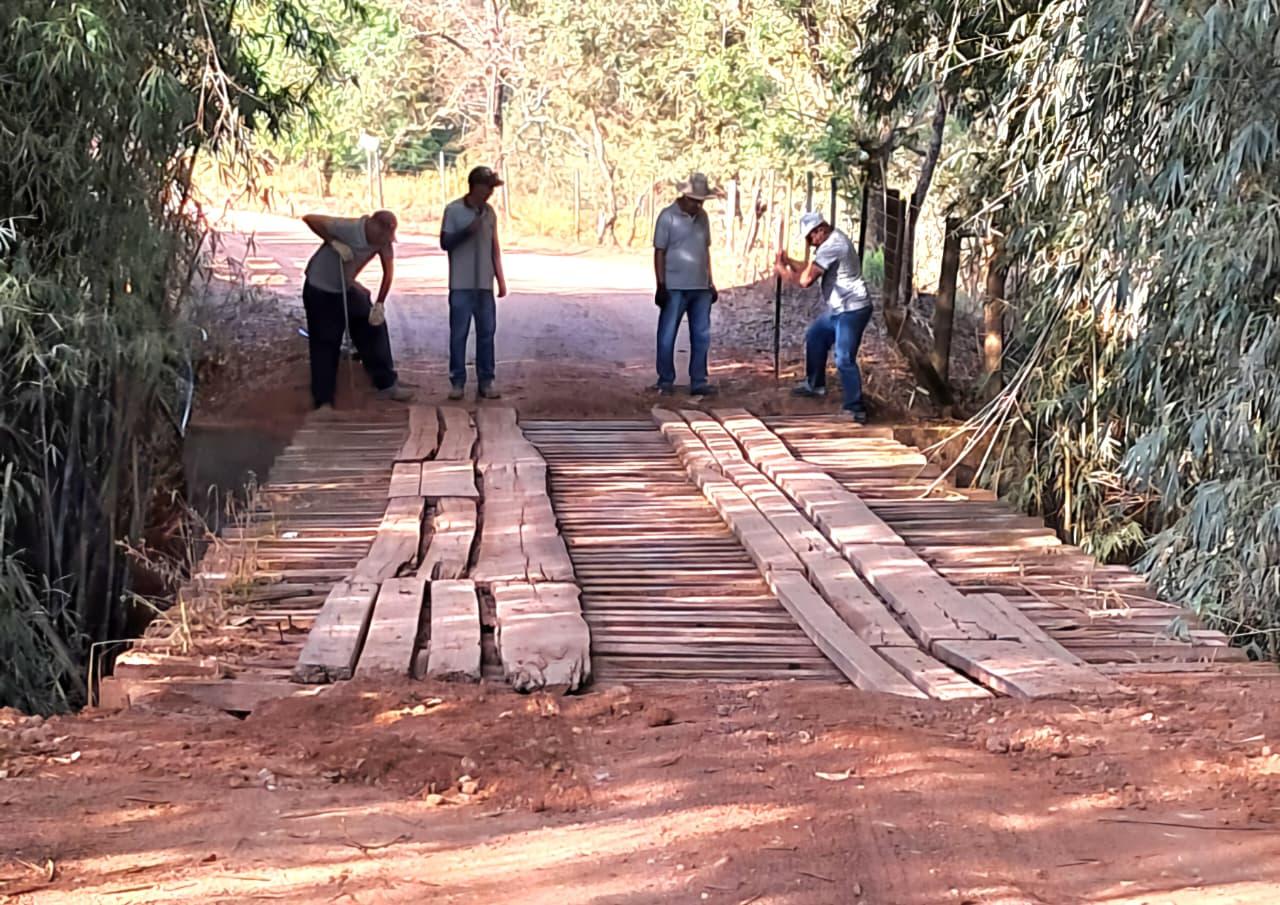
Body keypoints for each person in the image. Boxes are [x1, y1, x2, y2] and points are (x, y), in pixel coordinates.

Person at [300, 209, 412, 410]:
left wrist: (379, 303)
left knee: (372, 324)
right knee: (326, 342)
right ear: (372, 225)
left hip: (345, 285)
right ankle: (323, 401)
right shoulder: (348, 228)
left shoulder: (383, 241)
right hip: (320, 286)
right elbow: (310, 219)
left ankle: (386, 383)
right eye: (381, 235)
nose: (383, 241)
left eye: (387, 237)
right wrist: (334, 242)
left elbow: (388, 270)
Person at [775, 211, 873, 424]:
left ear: (821, 230)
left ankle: (855, 408)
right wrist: (789, 261)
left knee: (844, 358)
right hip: (839, 308)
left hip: (852, 309)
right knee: (816, 336)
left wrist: (782, 270)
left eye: (811, 237)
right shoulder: (828, 244)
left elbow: (805, 281)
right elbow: (810, 269)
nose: (810, 243)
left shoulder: (833, 246)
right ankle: (815, 385)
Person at [440, 166, 508, 400]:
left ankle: (486, 381)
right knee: (459, 333)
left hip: (484, 284)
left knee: (487, 333)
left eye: (491, 188)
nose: (489, 192)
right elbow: (445, 242)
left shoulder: (489, 213)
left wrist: (500, 278)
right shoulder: (454, 211)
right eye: (486, 187)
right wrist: (468, 231)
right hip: (461, 282)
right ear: (475, 186)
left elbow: (494, 247)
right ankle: (457, 381)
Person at [652, 172, 721, 396]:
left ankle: (699, 381)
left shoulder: (703, 218)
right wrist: (661, 284)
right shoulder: (667, 217)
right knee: (667, 334)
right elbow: (659, 252)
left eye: (701, 201)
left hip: (700, 287)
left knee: (701, 335)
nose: (698, 205)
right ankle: (665, 381)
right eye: (694, 201)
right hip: (674, 286)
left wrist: (710, 281)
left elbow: (705, 251)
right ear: (684, 197)